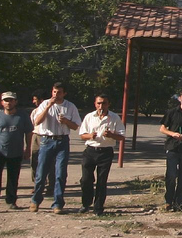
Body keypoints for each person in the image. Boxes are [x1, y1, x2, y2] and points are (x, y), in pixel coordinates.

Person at [29, 82, 81, 214]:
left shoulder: (70, 106)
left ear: (64, 93)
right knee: (41, 172)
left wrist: (66, 122)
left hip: (62, 141)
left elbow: (75, 126)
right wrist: (48, 107)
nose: (56, 95)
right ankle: (35, 201)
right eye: (54, 92)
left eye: (59, 92)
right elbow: (37, 121)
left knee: (60, 173)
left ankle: (57, 203)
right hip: (47, 140)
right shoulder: (44, 104)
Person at [0, 92, 33, 213]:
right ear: (2, 102)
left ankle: (11, 200)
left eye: (11, 100)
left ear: (15, 102)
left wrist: (27, 149)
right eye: (6, 100)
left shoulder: (22, 116)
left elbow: (29, 133)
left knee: (13, 178)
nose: (8, 103)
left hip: (16, 151)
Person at [78, 94, 125, 215]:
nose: (101, 106)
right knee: (86, 179)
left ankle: (98, 207)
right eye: (99, 103)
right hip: (90, 150)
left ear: (108, 104)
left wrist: (111, 135)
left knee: (102, 180)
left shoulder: (114, 117)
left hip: (105, 151)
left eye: (104, 103)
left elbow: (121, 136)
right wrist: (90, 136)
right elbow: (82, 135)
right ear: (95, 104)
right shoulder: (89, 117)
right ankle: (86, 203)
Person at [29, 90, 55, 195]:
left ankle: (51, 186)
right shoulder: (35, 112)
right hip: (36, 135)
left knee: (49, 162)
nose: (33, 102)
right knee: (34, 159)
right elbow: (32, 125)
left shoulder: (53, 110)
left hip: (47, 137)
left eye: (35, 99)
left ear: (42, 100)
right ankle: (37, 183)